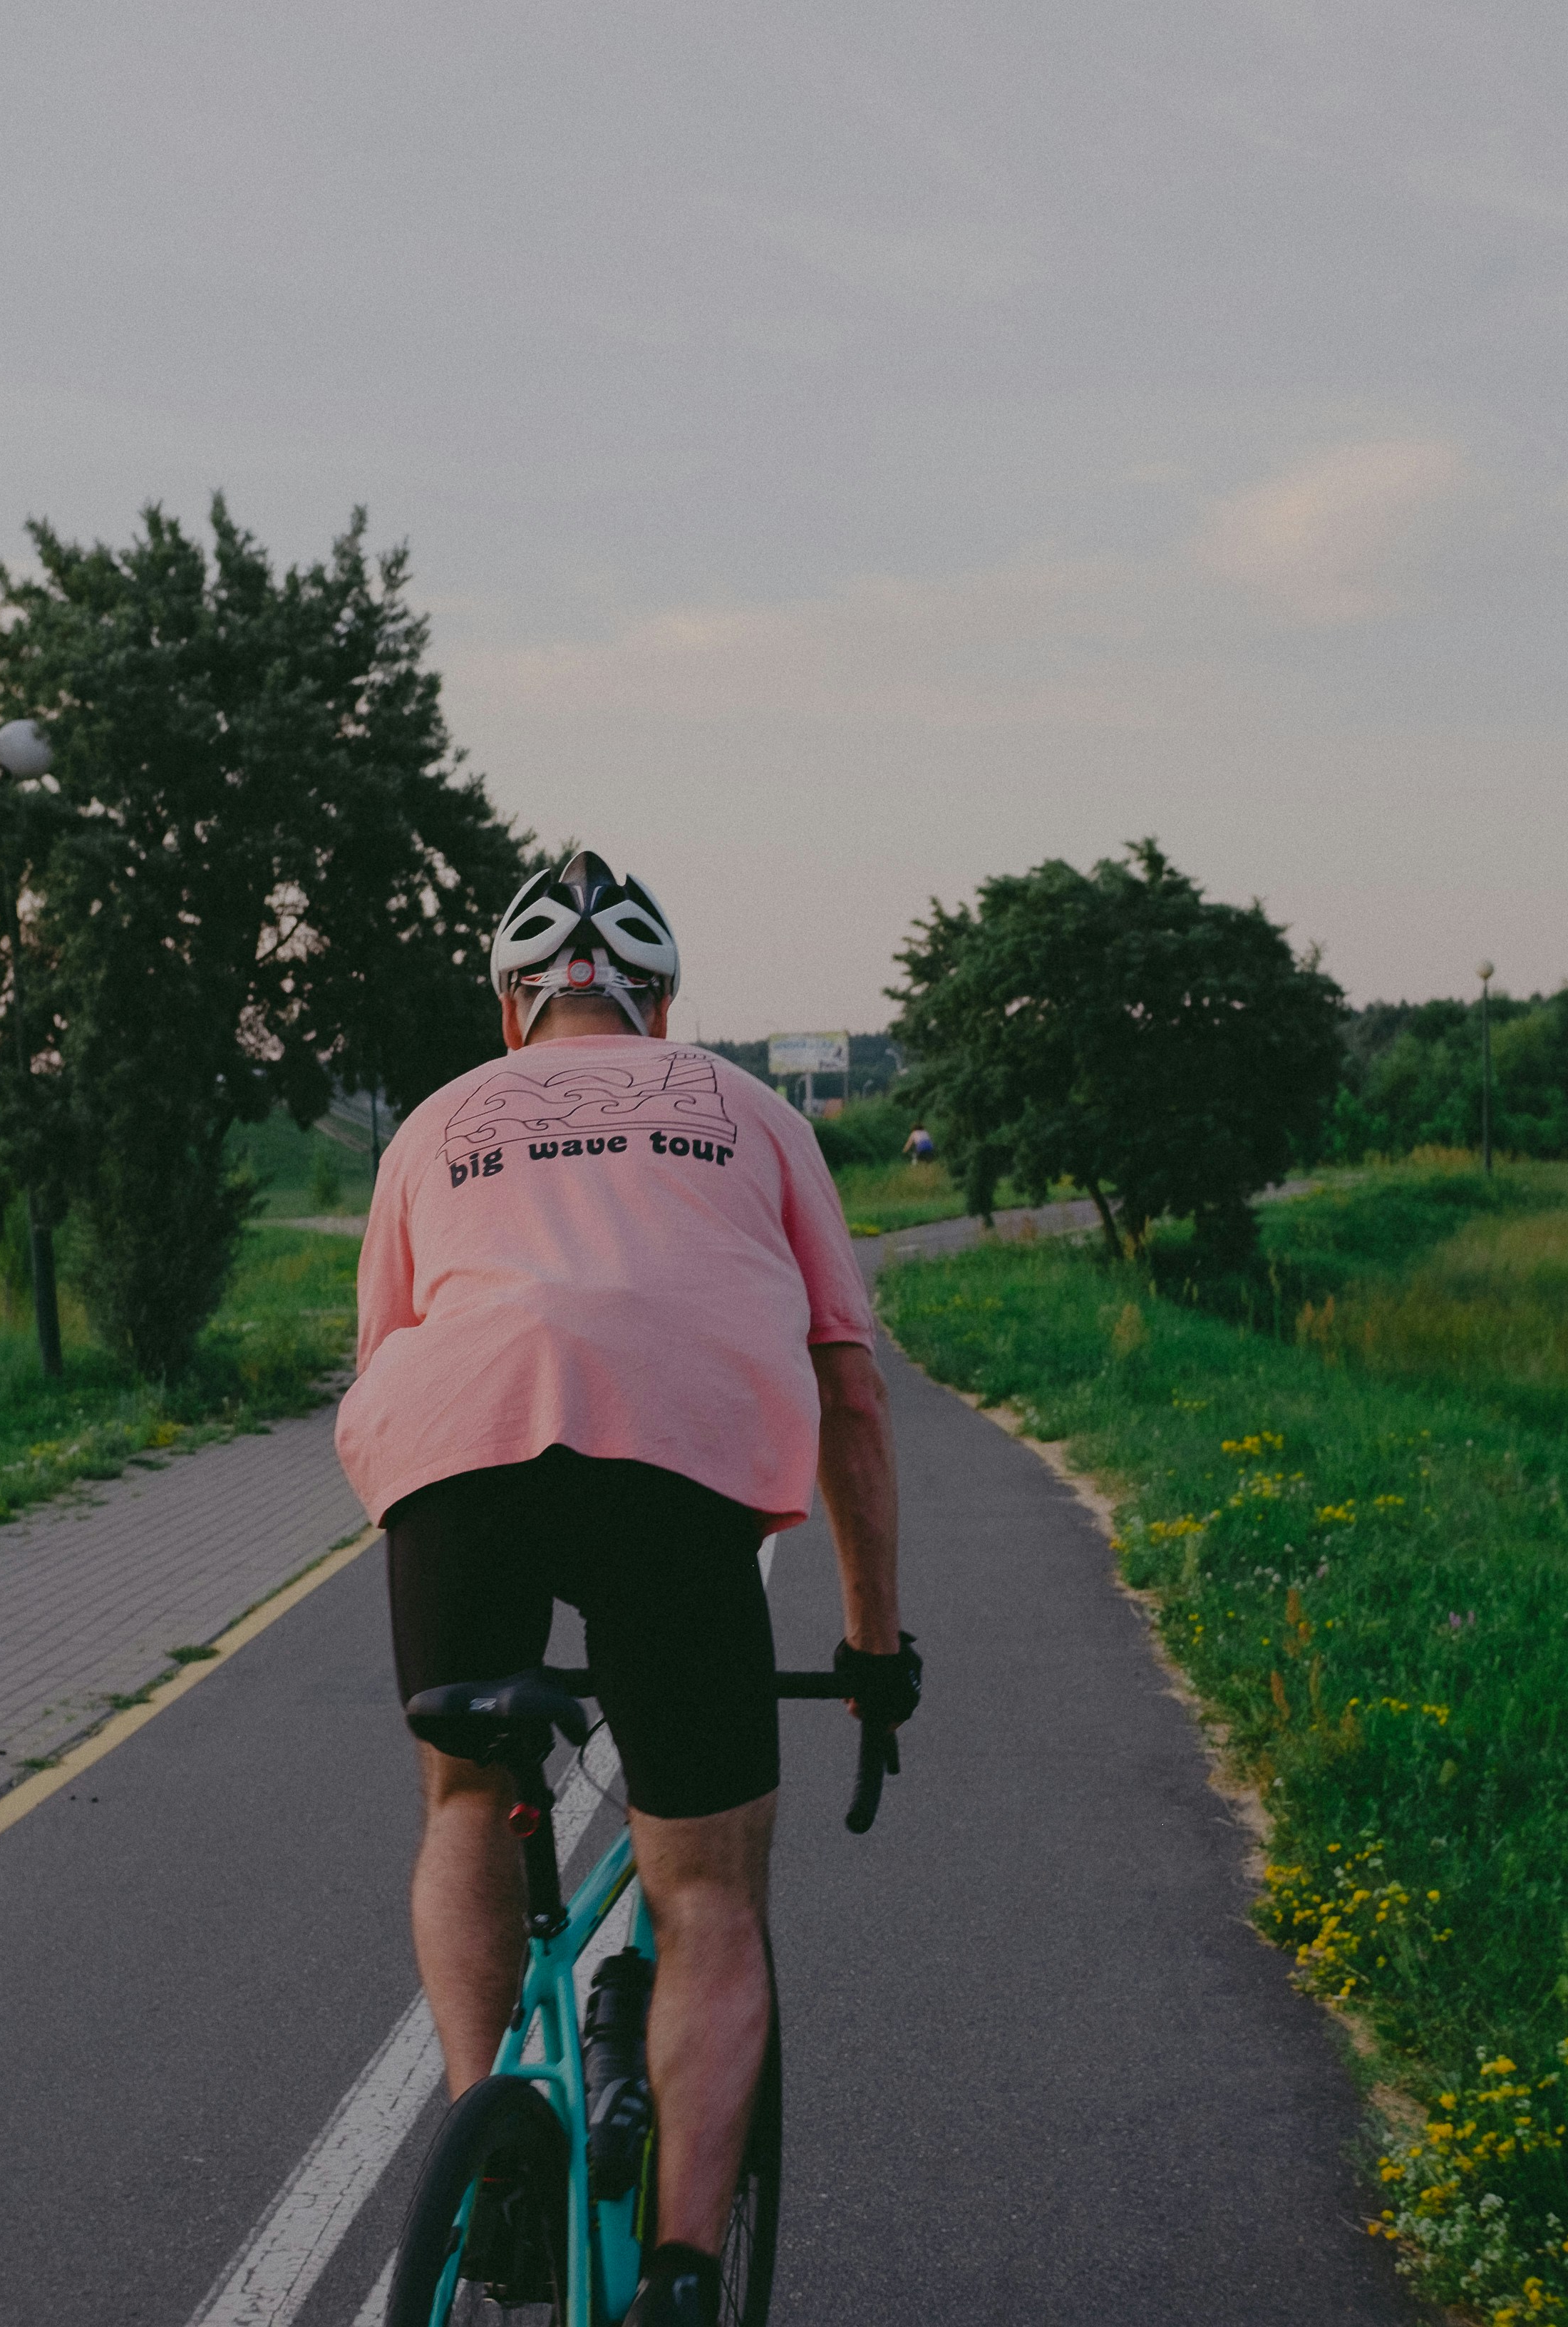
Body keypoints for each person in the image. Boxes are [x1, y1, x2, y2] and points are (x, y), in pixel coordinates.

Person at [337, 849, 921, 2326]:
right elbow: (848, 1391)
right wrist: (870, 1639)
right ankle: (674, 2272)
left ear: (514, 1004)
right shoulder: (755, 1113)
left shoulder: (434, 1125)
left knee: (467, 1802)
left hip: (456, 1460)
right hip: (677, 1469)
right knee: (710, 1891)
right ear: (658, 1000)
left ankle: (492, 2150)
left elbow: (384, 1372)